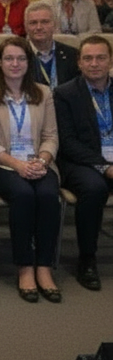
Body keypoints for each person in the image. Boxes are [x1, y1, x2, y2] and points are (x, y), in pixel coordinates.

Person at [0, 36, 61, 302]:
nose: (15, 63)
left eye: (21, 58)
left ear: (28, 62)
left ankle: (44, 267)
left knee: (48, 196)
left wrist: (42, 160)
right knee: (23, 195)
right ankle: (25, 267)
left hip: (39, 162)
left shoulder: (43, 92)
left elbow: (51, 136)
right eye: (9, 58)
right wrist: (18, 165)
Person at [53, 35, 113, 291]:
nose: (95, 63)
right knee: (94, 188)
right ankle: (87, 259)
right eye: (88, 58)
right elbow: (67, 142)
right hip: (80, 164)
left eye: (101, 57)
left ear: (110, 60)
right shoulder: (65, 94)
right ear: (78, 62)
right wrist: (105, 167)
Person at [24, 1, 80, 92]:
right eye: (33, 23)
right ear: (25, 27)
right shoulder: (17, 56)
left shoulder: (72, 55)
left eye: (45, 22)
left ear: (54, 24)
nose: (39, 27)